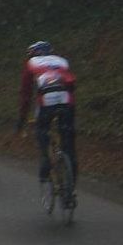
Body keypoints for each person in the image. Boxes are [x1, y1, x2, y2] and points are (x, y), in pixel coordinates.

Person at [18, 41, 77, 191]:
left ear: (33, 53)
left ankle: (46, 161)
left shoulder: (32, 63)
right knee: (68, 141)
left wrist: (22, 118)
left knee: (42, 131)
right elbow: (71, 85)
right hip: (66, 101)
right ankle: (71, 183)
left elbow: (26, 94)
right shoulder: (61, 60)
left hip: (46, 101)